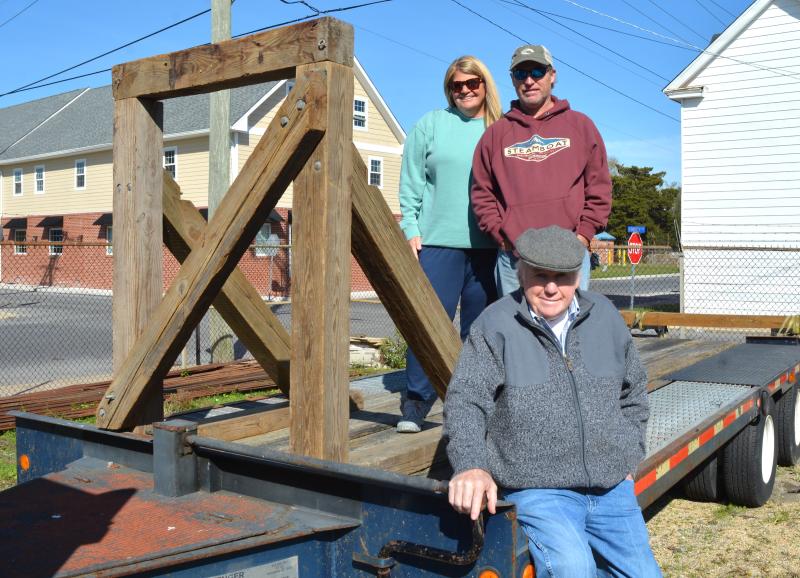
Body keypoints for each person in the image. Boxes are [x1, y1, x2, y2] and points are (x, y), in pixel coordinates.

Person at [444, 226, 661, 577]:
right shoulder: (495, 324)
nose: (550, 288)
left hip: (610, 487)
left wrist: (629, 449)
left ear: (577, 275)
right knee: (573, 569)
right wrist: (471, 464)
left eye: (561, 277)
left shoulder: (604, 315)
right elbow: (466, 401)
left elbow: (633, 389)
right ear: (521, 272)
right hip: (539, 488)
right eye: (540, 276)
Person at [396, 55, 502, 433]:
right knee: (428, 321)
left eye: (472, 83)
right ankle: (416, 401)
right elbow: (411, 181)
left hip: (489, 246)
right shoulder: (431, 125)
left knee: (480, 330)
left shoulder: (501, 128)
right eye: (457, 85)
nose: (464, 90)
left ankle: (471, 403)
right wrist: (410, 226)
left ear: (485, 85)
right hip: (437, 241)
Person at [470, 44, 612, 296]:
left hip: (570, 256)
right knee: (517, 333)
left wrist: (582, 236)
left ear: (552, 75)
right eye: (520, 74)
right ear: (512, 80)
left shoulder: (581, 126)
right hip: (514, 259)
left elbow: (599, 188)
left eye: (537, 72)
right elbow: (482, 192)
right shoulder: (496, 134)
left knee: (570, 332)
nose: (529, 80)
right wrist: (501, 235)